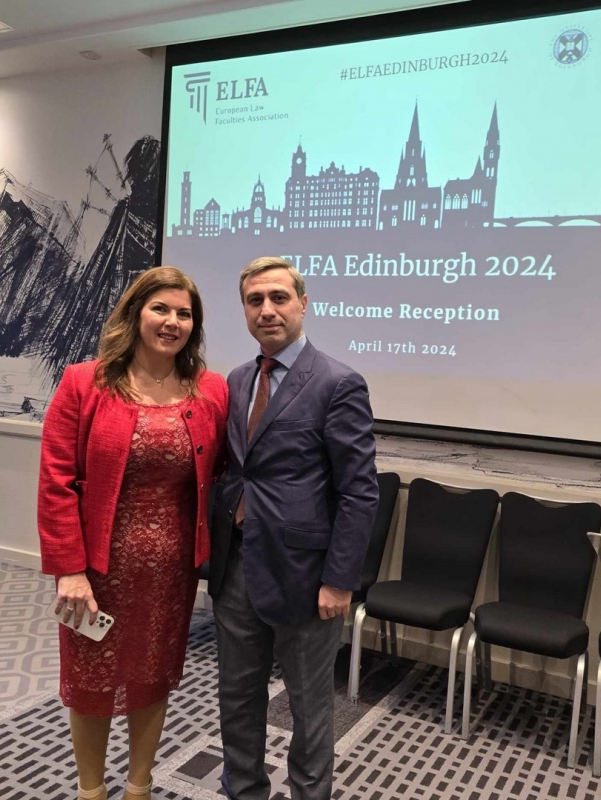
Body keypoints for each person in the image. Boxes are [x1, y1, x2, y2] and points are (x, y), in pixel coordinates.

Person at [37, 267, 228, 800]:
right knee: (91, 679)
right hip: (96, 568)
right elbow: (55, 482)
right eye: (160, 308)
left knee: (153, 674)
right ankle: (91, 790)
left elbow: (227, 470)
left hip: (170, 570)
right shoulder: (85, 382)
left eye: (184, 313)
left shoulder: (210, 389)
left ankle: (138, 788)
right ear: (134, 313)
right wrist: (69, 570)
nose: (172, 322)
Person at [209, 256, 378, 800]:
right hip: (237, 564)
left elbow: (358, 491)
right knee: (237, 698)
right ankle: (244, 790)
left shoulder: (338, 382)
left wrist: (340, 580)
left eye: (279, 298)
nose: (267, 310)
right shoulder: (237, 380)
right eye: (255, 300)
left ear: (302, 304)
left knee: (308, 707)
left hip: (307, 578)